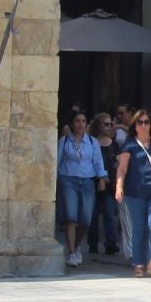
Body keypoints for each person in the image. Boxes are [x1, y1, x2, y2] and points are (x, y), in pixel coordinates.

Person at [115, 108, 151, 278]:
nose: (144, 125)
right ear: (135, 125)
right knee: (138, 228)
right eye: (140, 122)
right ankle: (138, 263)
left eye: (147, 122)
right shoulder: (129, 144)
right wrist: (119, 186)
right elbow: (122, 168)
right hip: (134, 192)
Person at [57, 109, 106, 268]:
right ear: (72, 123)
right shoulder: (64, 141)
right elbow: (57, 160)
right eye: (77, 121)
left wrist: (101, 177)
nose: (81, 124)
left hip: (86, 180)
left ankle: (77, 245)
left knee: (85, 219)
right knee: (70, 217)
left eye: (83, 121)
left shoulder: (92, 142)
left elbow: (98, 162)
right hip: (68, 179)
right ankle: (71, 252)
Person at [90, 113, 123, 259]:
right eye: (106, 124)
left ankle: (111, 243)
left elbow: (118, 162)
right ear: (98, 125)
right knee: (93, 215)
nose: (109, 127)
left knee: (110, 215)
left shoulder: (114, 144)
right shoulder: (91, 142)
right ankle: (93, 242)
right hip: (93, 182)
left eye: (111, 124)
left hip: (110, 183)